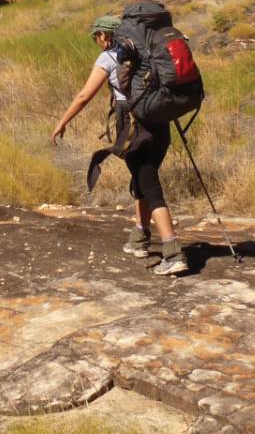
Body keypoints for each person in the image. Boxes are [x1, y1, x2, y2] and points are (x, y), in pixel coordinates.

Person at [51, 15, 188, 276]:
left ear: (104, 35)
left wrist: (62, 121)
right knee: (141, 178)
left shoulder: (109, 58)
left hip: (134, 126)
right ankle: (140, 236)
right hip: (160, 123)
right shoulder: (148, 53)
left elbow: (83, 96)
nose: (96, 42)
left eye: (96, 37)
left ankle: (173, 251)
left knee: (148, 183)